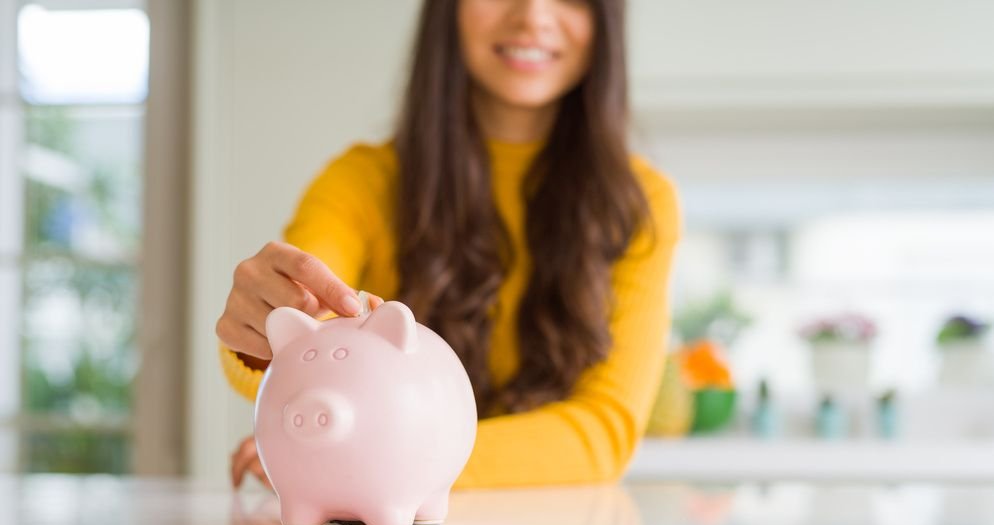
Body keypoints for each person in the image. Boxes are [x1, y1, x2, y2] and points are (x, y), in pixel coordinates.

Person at [216, 0, 681, 490]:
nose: (534, 15)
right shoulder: (359, 184)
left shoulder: (641, 205)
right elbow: (309, 323)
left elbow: (601, 432)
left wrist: (382, 458)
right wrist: (266, 333)